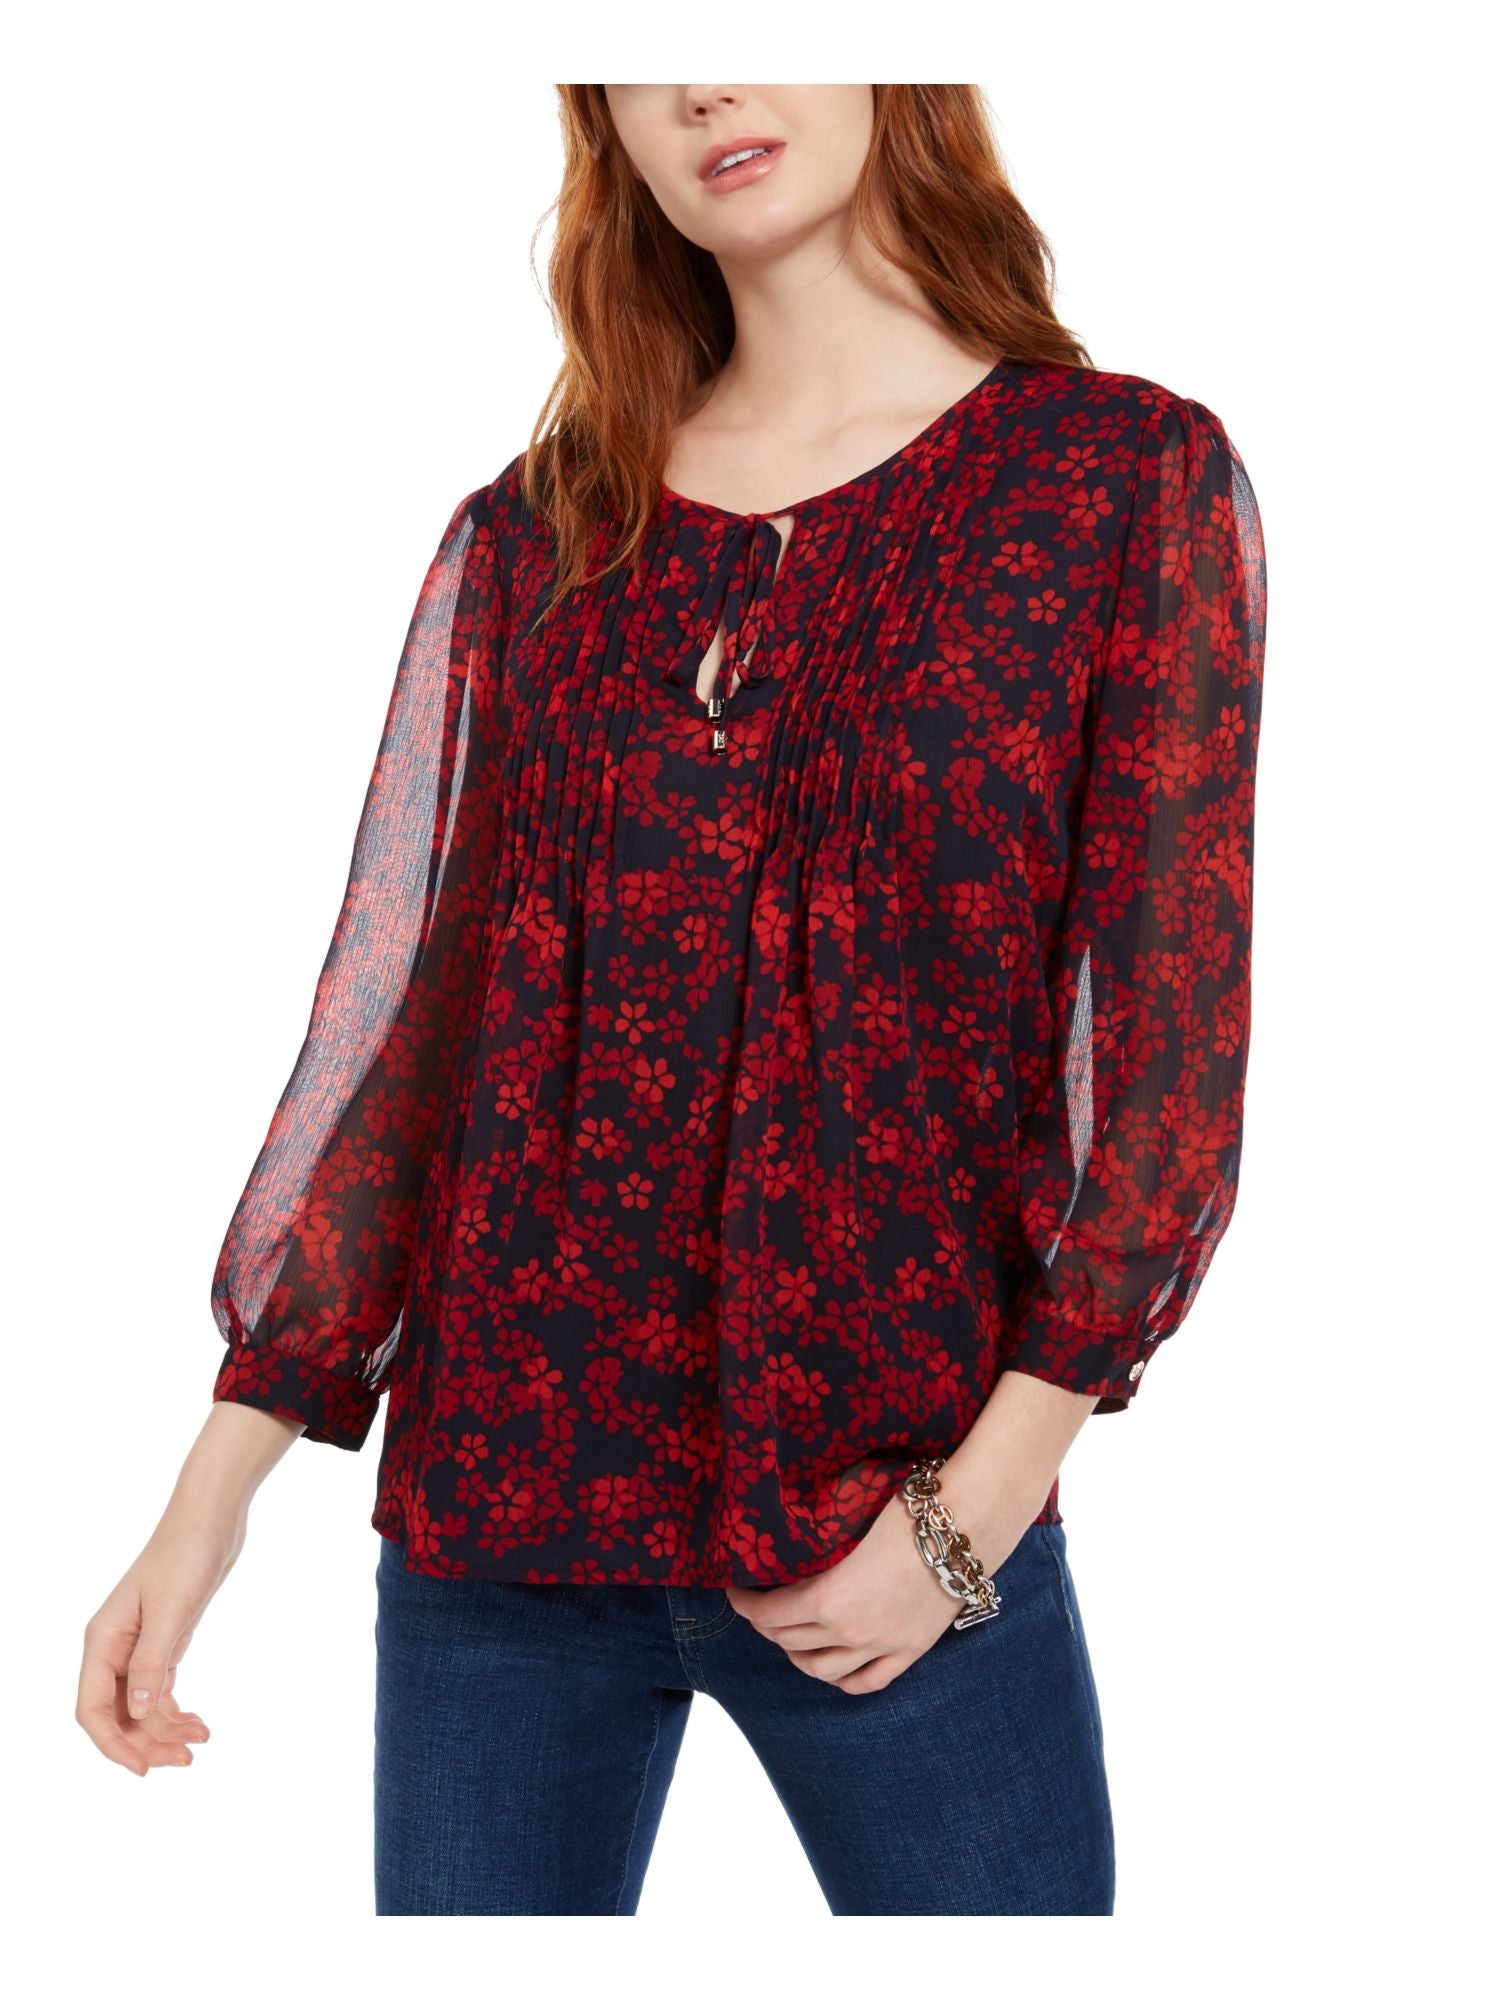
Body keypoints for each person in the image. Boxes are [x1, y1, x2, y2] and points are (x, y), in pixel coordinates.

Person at [76, 83, 1267, 1916]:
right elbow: (409, 1037)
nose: (702, 78)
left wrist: (969, 1517)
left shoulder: (1117, 481)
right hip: (497, 1536)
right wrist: (208, 1497)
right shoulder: (539, 534)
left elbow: (1168, 1039)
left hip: (885, 1526)